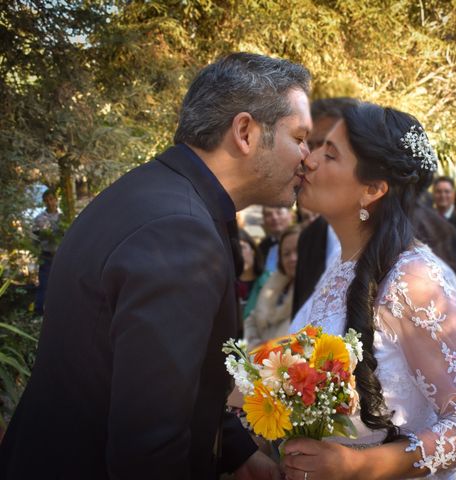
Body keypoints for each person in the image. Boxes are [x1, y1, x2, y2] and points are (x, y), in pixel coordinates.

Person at [0, 52, 312, 480]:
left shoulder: (159, 193)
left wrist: (236, 453)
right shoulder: (181, 231)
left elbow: (171, 376)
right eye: (300, 137)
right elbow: (148, 441)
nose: (307, 157)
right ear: (245, 132)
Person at [285, 102, 456, 479]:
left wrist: (357, 464)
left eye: (329, 154)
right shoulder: (343, 270)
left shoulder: (413, 281)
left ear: (372, 189)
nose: (309, 160)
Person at [292, 97, 358, 316]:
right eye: (309, 146)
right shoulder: (310, 238)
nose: (309, 160)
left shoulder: (423, 239)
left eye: (329, 151)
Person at [244, 225, 300, 349]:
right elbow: (251, 320)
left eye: (298, 250)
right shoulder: (273, 284)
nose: (292, 258)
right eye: (286, 254)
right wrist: (255, 346)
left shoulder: (315, 291)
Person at [31, 189, 62, 315]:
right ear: (44, 202)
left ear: (56, 199)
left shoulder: (63, 217)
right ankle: (38, 311)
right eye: (47, 200)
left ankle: (58, 310)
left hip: (61, 256)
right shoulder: (39, 218)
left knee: (61, 283)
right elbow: (33, 238)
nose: (50, 202)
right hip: (46, 255)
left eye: (51, 199)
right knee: (43, 284)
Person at [236, 229, 268, 320]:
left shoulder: (270, 280)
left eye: (242, 247)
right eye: (234, 250)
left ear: (253, 250)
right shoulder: (226, 286)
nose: (239, 254)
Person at [259, 206, 293, 272]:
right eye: (268, 214)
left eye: (279, 213)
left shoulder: (302, 240)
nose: (274, 217)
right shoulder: (262, 247)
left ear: (290, 216)